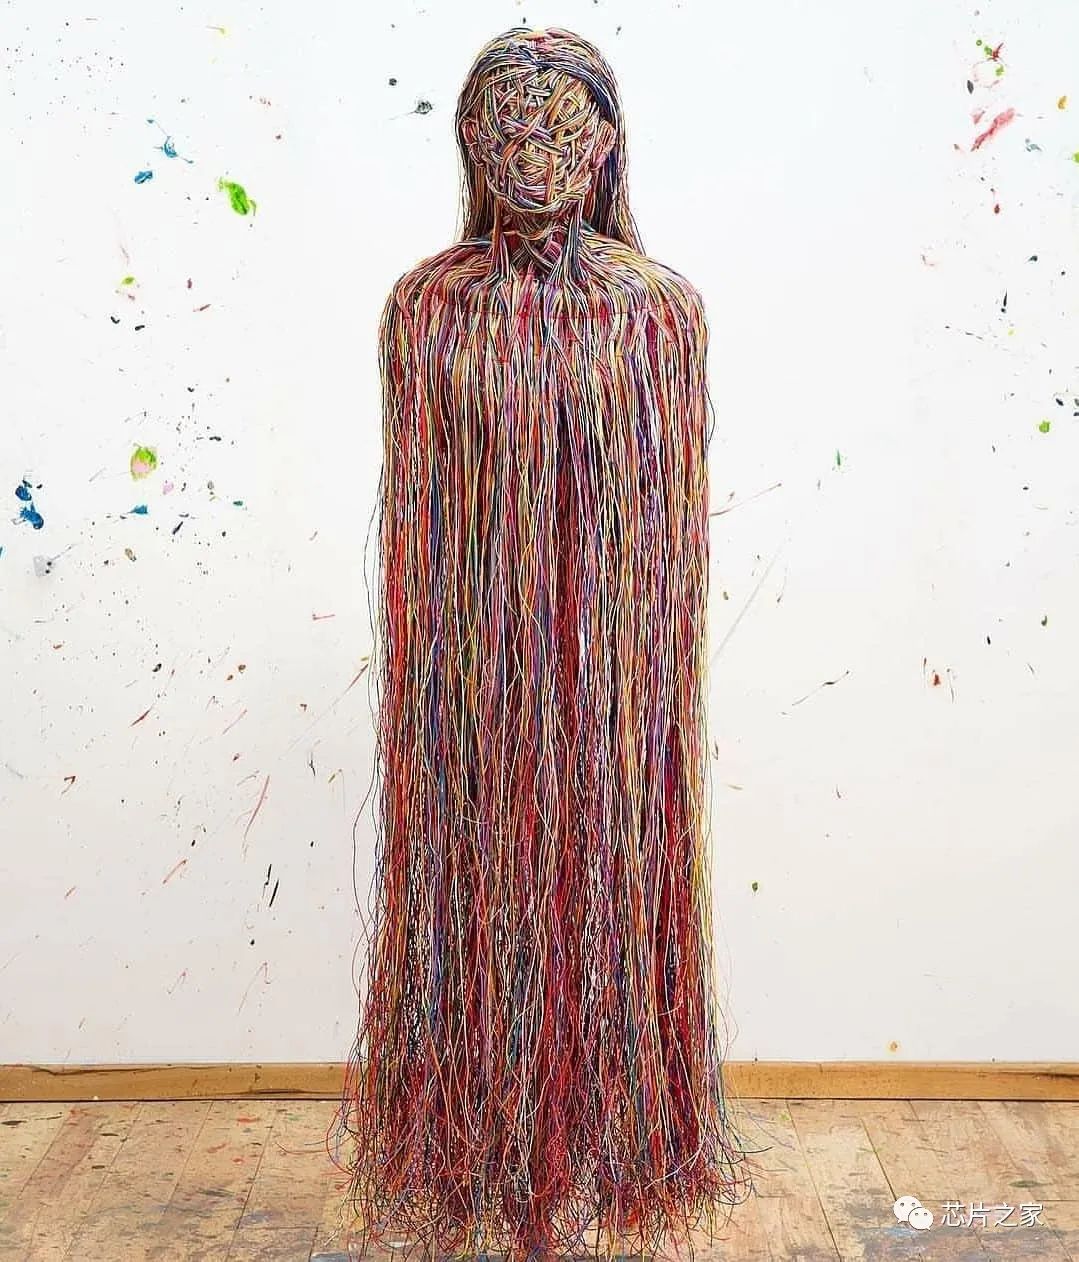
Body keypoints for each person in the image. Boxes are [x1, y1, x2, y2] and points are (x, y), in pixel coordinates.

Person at [333, 26, 758, 1262]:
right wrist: (466, 661)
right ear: (466, 141)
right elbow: (422, 520)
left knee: (606, 887)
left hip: (613, 680)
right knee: (480, 891)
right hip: (469, 678)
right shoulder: (425, 309)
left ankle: (606, 1146)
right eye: (503, 121)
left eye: (558, 120)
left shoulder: (660, 312)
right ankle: (477, 1150)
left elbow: (664, 538)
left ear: (609, 143)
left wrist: (616, 668)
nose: (531, 146)